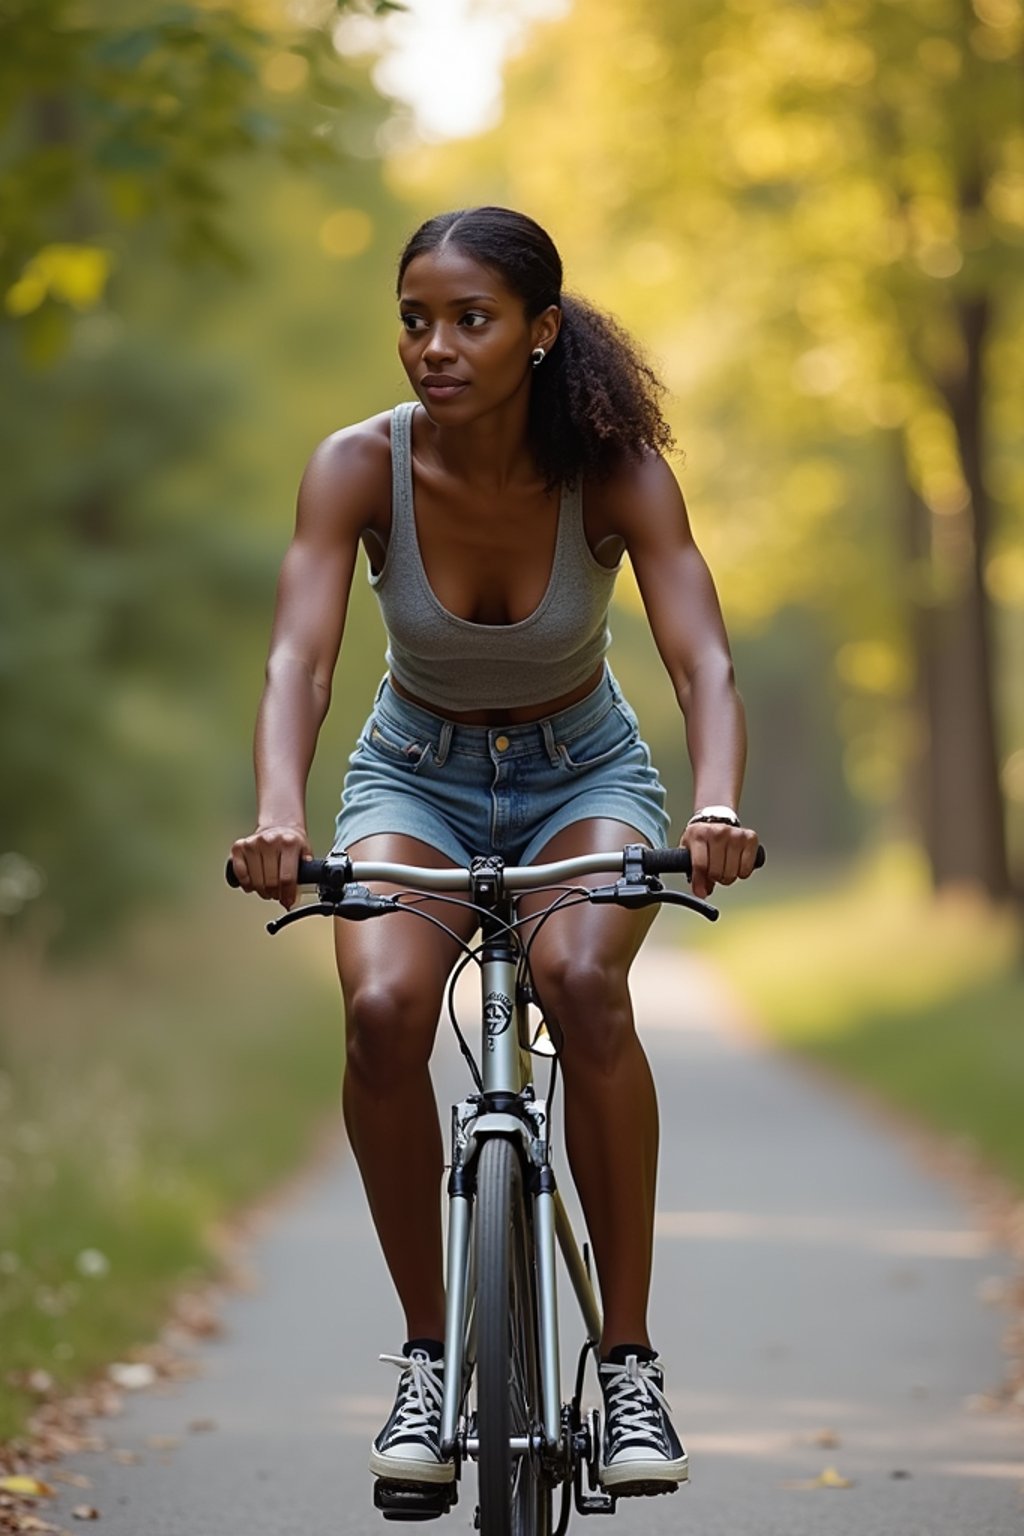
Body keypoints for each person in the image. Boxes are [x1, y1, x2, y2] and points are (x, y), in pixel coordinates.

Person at [230, 205, 760, 1496]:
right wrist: (282, 811)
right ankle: (426, 1355)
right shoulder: (359, 465)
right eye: (416, 319)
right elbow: (301, 654)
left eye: (471, 318)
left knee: (584, 984)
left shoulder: (617, 469)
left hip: (585, 774)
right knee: (382, 1009)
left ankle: (628, 1368)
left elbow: (701, 655)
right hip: (409, 776)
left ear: (541, 331)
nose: (436, 345)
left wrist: (718, 806)